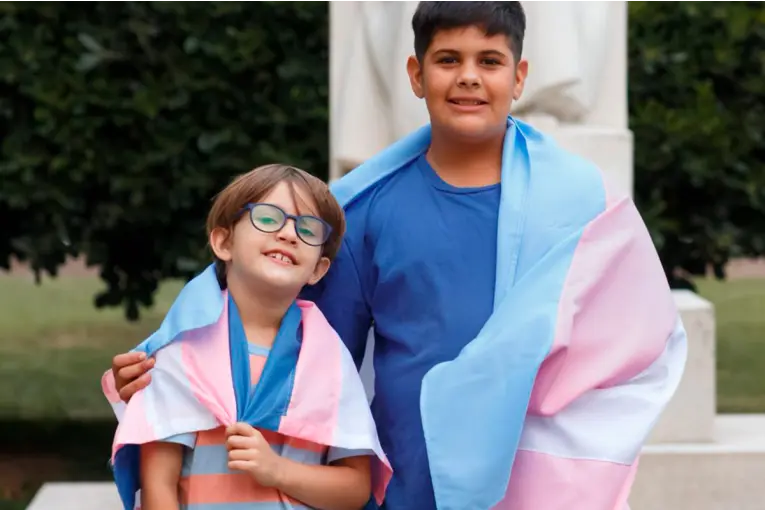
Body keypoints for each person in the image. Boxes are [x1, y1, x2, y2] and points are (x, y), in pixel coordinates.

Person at [109, 1, 687, 509]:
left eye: (489, 61)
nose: (468, 76)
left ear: (519, 77)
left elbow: (633, 338)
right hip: (410, 482)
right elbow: (296, 334)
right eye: (447, 59)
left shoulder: (582, 204)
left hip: (534, 478)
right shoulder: (364, 211)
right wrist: (166, 357)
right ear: (416, 74)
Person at [102, 164, 391, 510]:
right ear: (224, 242)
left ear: (318, 269)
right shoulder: (182, 350)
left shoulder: (329, 361)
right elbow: (158, 487)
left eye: (308, 228)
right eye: (268, 218)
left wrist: (277, 470)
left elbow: (355, 489)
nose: (289, 234)